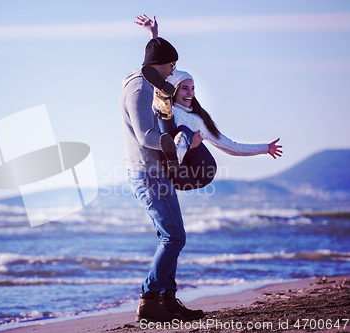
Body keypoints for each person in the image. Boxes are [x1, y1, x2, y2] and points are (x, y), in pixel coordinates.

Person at [135, 15, 283, 191]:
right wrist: (154, 35)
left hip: (199, 173)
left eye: (192, 88)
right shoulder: (168, 109)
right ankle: (174, 150)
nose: (190, 93)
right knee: (165, 119)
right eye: (184, 88)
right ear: (173, 90)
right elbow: (158, 67)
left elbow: (231, 147)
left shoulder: (197, 121)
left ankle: (177, 152)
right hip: (176, 168)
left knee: (182, 130)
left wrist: (265, 148)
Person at [120, 32, 206, 323]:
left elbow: (154, 55)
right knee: (174, 237)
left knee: (171, 236)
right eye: (172, 64)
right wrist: (182, 141)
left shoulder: (149, 82)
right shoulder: (138, 89)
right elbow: (146, 136)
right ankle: (148, 300)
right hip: (148, 173)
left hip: (158, 172)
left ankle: (168, 301)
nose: (174, 70)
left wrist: (154, 36)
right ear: (162, 64)